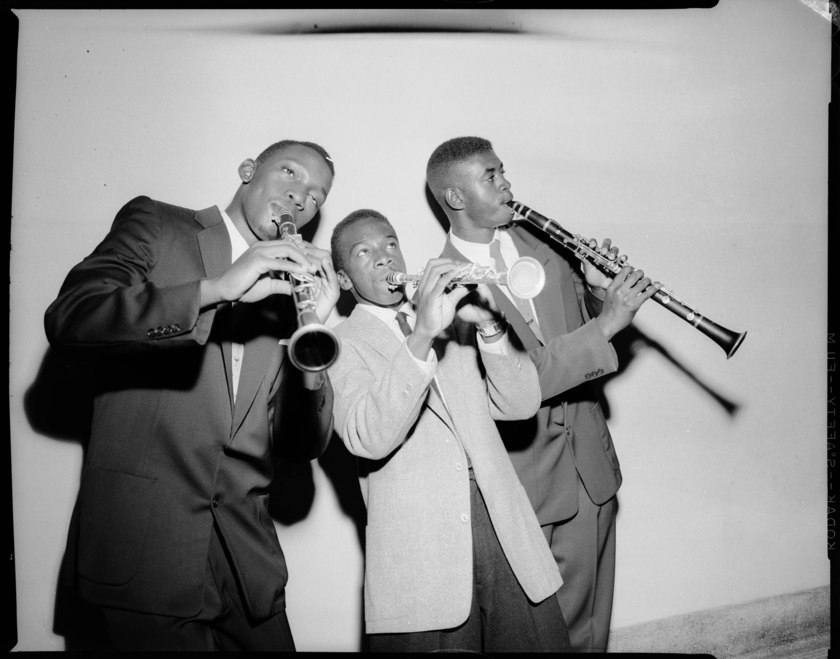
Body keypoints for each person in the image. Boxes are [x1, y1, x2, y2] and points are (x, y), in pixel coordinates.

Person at [44, 139, 339, 651]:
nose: (300, 197)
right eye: (290, 173)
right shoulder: (160, 224)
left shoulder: (294, 288)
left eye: (316, 196)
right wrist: (216, 290)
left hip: (247, 566)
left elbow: (299, 445)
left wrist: (312, 346)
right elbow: (71, 316)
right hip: (144, 552)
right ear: (248, 169)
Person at [426, 136, 660, 652]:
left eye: (503, 171)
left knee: (591, 627)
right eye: (490, 175)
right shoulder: (442, 290)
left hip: (589, 465)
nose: (506, 183)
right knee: (541, 636)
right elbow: (518, 381)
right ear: (456, 197)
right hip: (526, 481)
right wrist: (607, 324)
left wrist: (598, 290)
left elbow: (577, 327)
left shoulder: (546, 249)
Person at [327, 209, 570, 653]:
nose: (384, 257)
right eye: (364, 252)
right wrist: (420, 338)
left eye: (390, 243)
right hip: (421, 550)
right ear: (344, 280)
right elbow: (369, 438)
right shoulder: (337, 344)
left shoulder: (454, 320)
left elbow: (521, 405)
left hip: (504, 527)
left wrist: (489, 325)